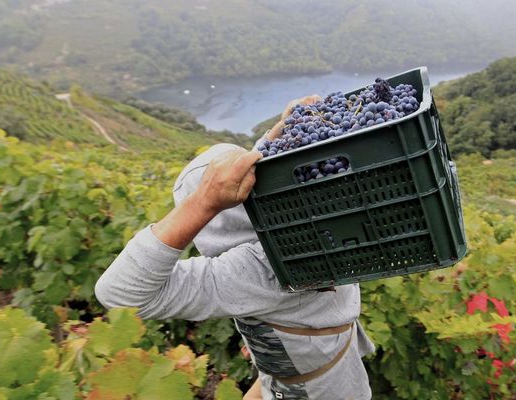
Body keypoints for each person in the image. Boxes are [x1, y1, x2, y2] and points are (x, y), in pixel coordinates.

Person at [94, 97, 376, 400]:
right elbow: (118, 294)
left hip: (308, 370)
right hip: (323, 386)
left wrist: (201, 203)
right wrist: (205, 201)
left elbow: (118, 294)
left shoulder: (255, 269)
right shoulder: (305, 234)